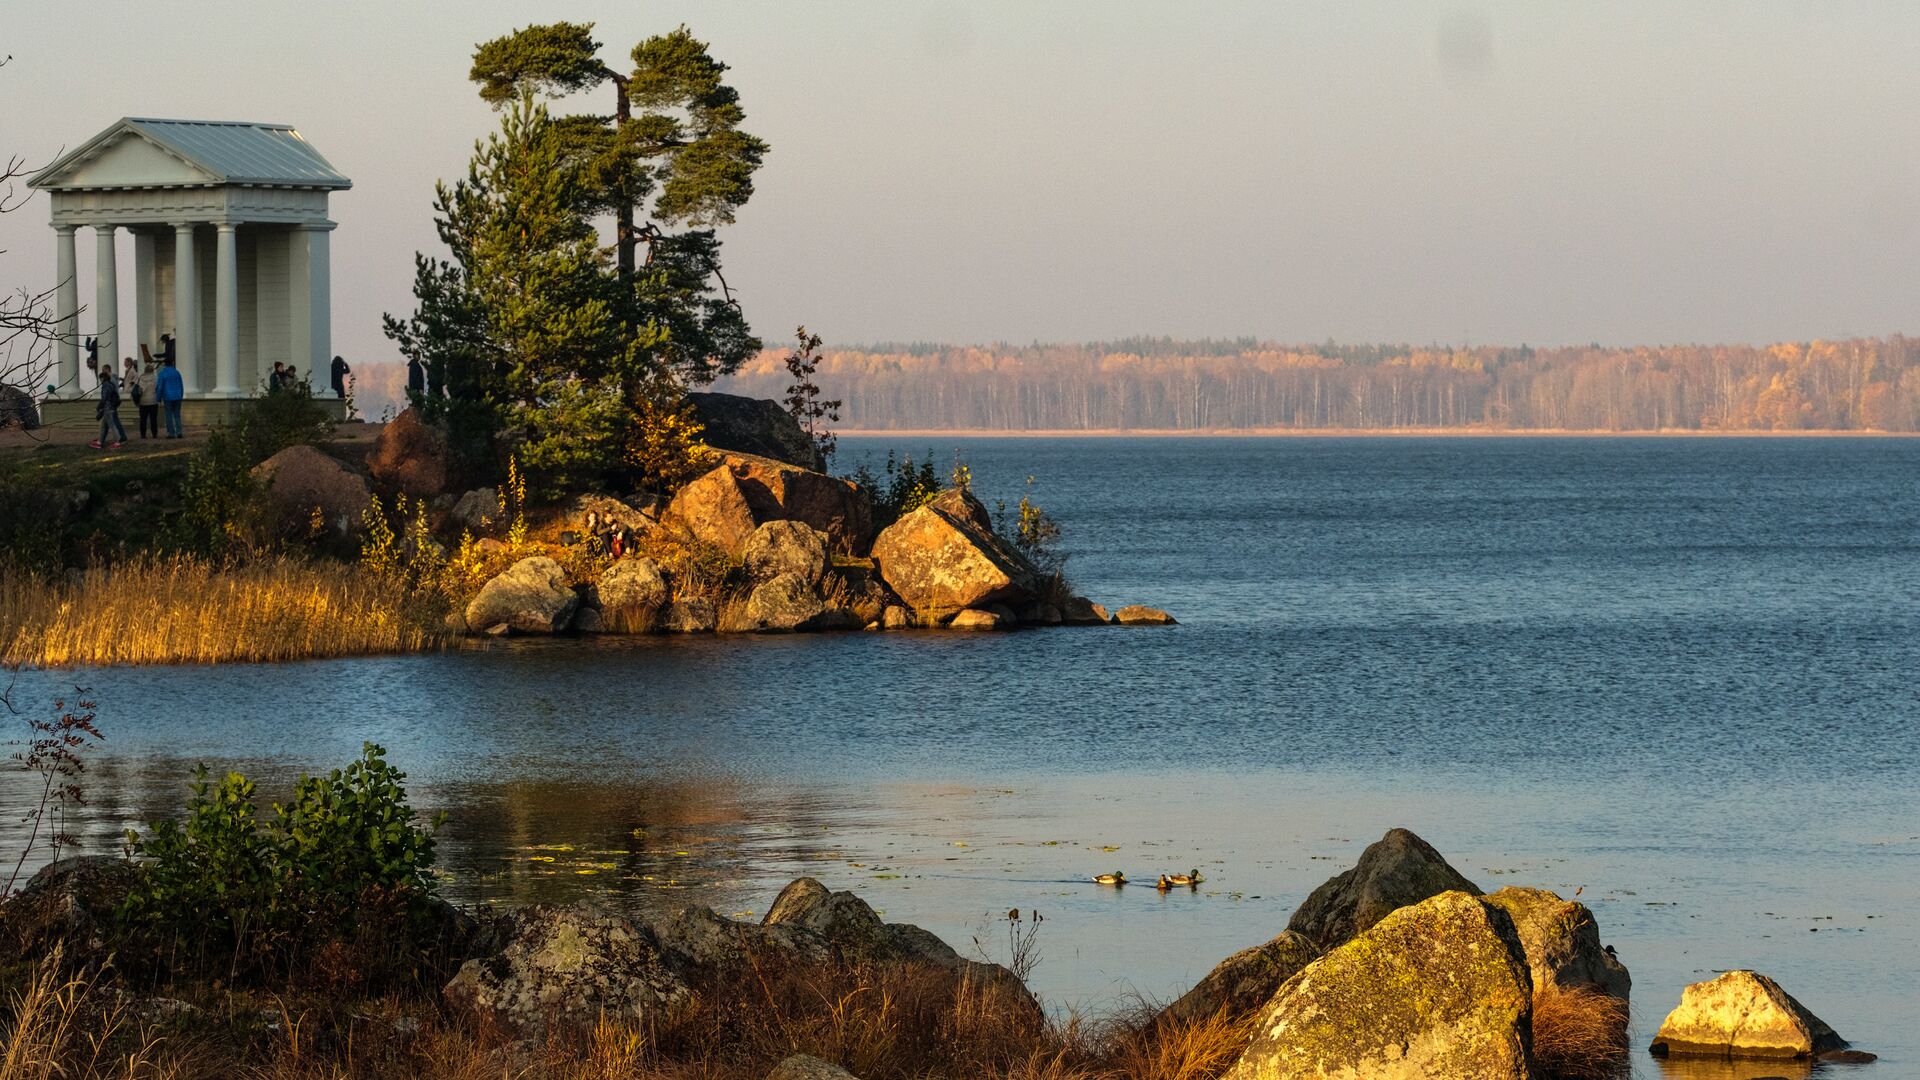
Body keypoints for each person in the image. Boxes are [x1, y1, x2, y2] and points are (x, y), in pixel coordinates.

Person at [90, 362, 126, 449]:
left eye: (100, 378)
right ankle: (100, 442)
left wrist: (99, 407)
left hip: (108, 408)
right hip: (109, 408)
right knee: (104, 426)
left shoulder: (106, 386)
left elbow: (105, 398)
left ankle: (118, 441)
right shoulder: (111, 384)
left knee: (112, 425)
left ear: (103, 378)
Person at [155, 351, 185, 438]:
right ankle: (179, 432)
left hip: (168, 397)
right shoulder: (177, 373)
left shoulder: (162, 374)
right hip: (178, 396)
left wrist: (158, 397)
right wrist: (181, 395)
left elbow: (160, 387)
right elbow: (181, 385)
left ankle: (171, 433)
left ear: (164, 364)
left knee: (168, 415)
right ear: (172, 363)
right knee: (177, 414)